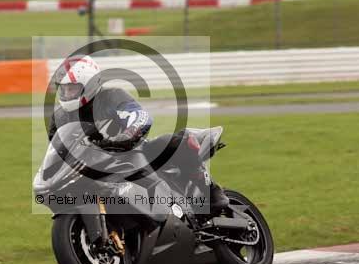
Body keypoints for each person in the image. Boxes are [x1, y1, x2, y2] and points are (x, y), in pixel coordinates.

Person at [47, 55, 229, 212]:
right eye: (64, 89)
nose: (67, 94)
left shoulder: (112, 96)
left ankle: (210, 189)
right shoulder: (60, 117)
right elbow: (56, 148)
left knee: (173, 142)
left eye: (72, 88)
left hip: (131, 152)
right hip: (94, 165)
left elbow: (140, 116)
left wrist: (124, 138)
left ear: (90, 85)